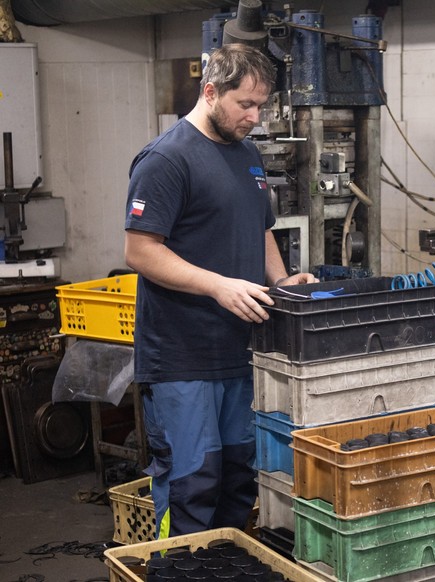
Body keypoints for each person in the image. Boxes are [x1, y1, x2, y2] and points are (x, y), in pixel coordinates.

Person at [124, 43, 317, 538]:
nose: (255, 117)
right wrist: (218, 286)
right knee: (193, 483)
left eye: (262, 106)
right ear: (210, 92)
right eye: (245, 105)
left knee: (237, 478)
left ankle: (225, 567)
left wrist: (280, 281)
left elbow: (260, 228)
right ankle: (179, 570)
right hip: (183, 358)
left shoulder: (247, 154)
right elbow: (142, 251)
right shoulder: (166, 158)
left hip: (240, 350)